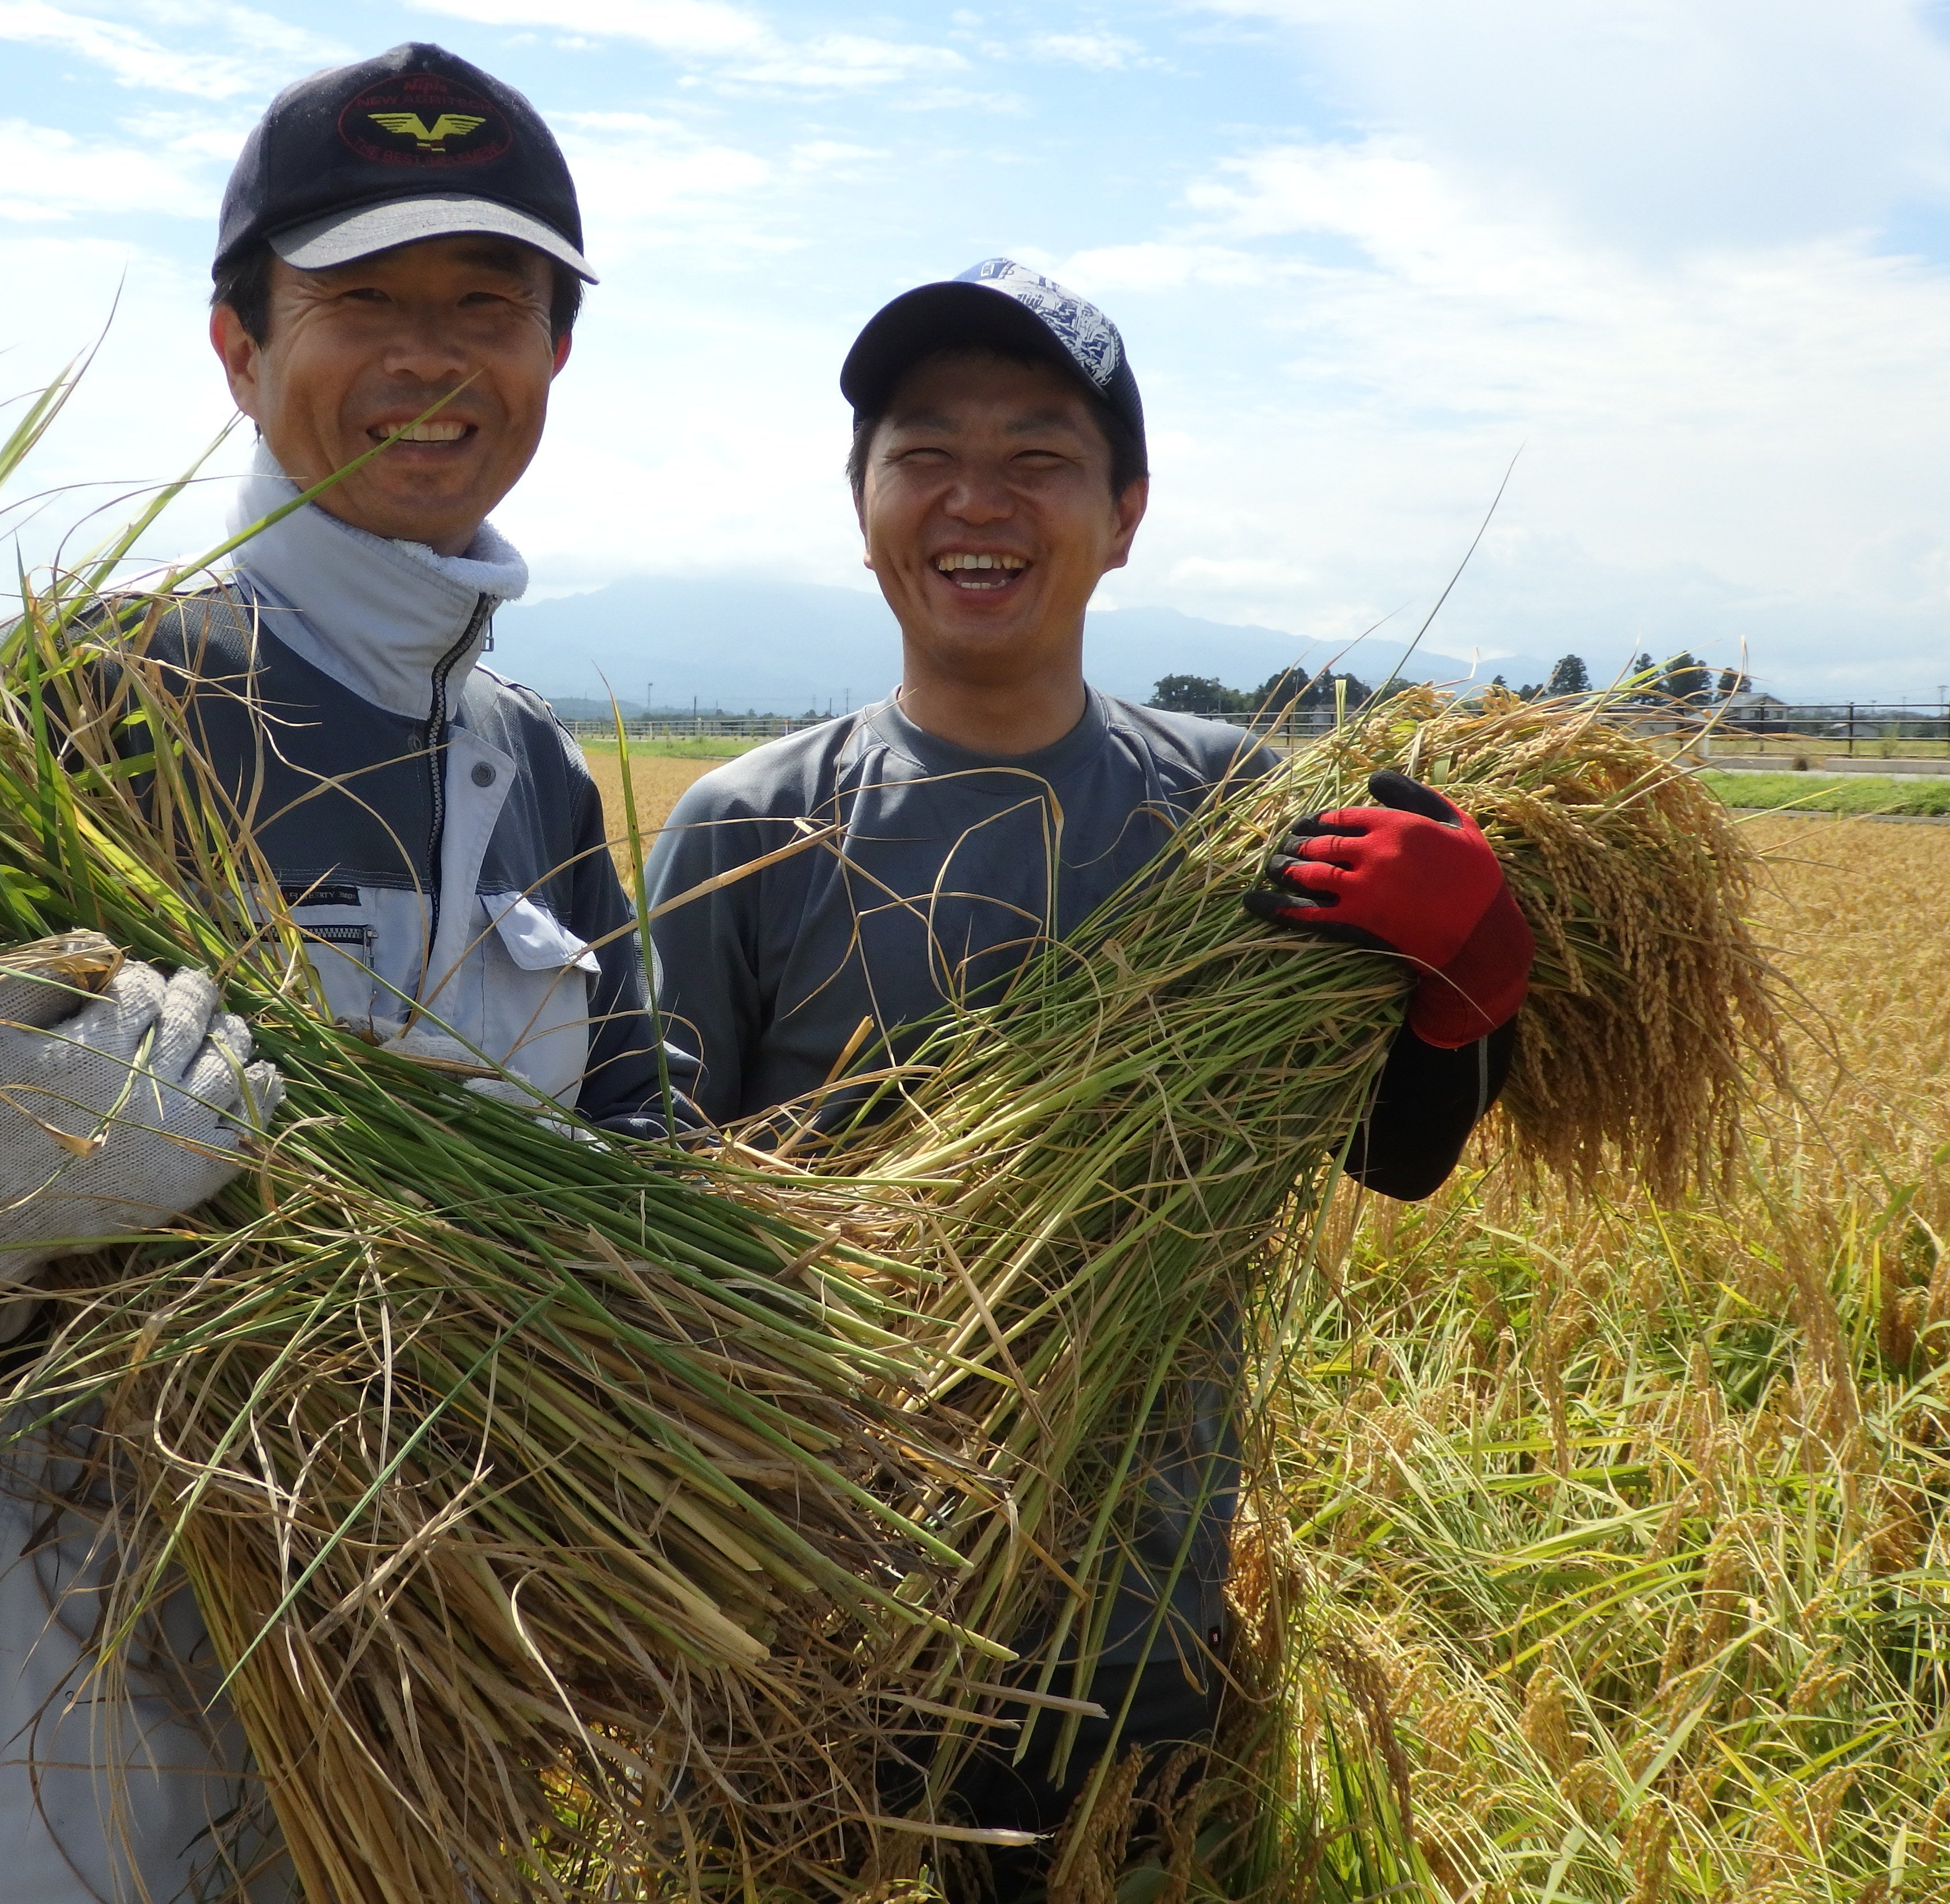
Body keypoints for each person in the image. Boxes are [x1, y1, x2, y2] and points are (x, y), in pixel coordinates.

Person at [0, 42, 678, 1904]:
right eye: (364, 300)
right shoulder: (69, 716)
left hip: (427, 1697)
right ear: (237, 348)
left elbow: (644, 1183)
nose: (433, 356)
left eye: (488, 304)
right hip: (60, 1706)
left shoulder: (538, 776)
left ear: (554, 357)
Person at [642, 259, 1534, 1898]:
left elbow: (1400, 1157)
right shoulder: (745, 830)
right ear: (861, 508)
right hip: (799, 1604)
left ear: (1123, 515)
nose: (977, 501)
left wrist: (1469, 985)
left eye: (1039, 457)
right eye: (924, 453)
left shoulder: (1248, 822)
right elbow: (651, 1221)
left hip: (1127, 1618)